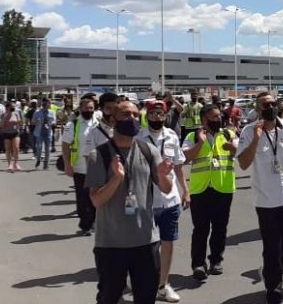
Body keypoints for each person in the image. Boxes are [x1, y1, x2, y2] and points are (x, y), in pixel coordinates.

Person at [86, 100, 174, 304]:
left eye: (136, 114)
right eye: (126, 115)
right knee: (109, 297)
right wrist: (116, 178)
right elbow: (96, 200)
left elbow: (167, 188)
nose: (133, 119)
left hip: (146, 242)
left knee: (146, 297)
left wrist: (162, 175)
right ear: (112, 119)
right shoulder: (99, 155)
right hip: (111, 244)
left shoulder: (148, 150)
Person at [237, 92, 283, 304]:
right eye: (265, 104)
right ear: (258, 109)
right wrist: (257, 139)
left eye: (272, 103)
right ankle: (274, 287)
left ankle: (270, 271)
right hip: (267, 200)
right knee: (272, 246)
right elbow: (243, 163)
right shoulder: (249, 132)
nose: (270, 106)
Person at [138, 101, 189, 302]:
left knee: (168, 243)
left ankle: (162, 285)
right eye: (153, 114)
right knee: (146, 245)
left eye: (160, 114)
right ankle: (141, 281)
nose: (157, 117)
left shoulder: (172, 136)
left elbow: (178, 167)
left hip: (170, 200)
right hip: (146, 200)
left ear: (165, 115)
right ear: (147, 116)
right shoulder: (138, 137)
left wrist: (186, 191)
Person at [183, 104, 238, 281]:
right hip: (200, 189)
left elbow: (242, 154)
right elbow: (186, 157)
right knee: (200, 229)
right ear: (203, 119)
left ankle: (216, 261)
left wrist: (234, 147)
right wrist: (200, 142)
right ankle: (198, 264)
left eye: (219, 116)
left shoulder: (228, 134)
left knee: (220, 228)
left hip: (223, 187)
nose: (218, 119)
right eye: (213, 117)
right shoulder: (192, 136)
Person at [62, 98, 99, 236]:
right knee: (83, 199)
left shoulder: (99, 123)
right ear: (80, 109)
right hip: (80, 168)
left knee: (96, 196)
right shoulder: (73, 124)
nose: (89, 111)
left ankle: (95, 221)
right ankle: (85, 225)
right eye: (86, 108)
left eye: (91, 108)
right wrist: (67, 164)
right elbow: (65, 145)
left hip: (97, 167)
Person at [32, 98, 57, 169]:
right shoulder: (37, 112)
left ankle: (46, 163)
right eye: (46, 103)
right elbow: (32, 122)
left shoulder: (52, 112)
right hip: (39, 133)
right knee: (39, 147)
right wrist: (37, 121)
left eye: (49, 103)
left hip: (48, 133)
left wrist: (50, 123)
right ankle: (39, 159)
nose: (48, 105)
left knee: (47, 149)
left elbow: (54, 121)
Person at [0, 101, 23, 172]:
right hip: (6, 133)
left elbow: (20, 122)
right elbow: (1, 125)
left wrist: (18, 124)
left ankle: (16, 163)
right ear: (7, 107)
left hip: (15, 132)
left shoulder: (16, 113)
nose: (13, 108)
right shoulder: (3, 114)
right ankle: (10, 164)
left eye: (14, 106)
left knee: (16, 148)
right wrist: (6, 116)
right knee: (8, 149)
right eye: (11, 107)